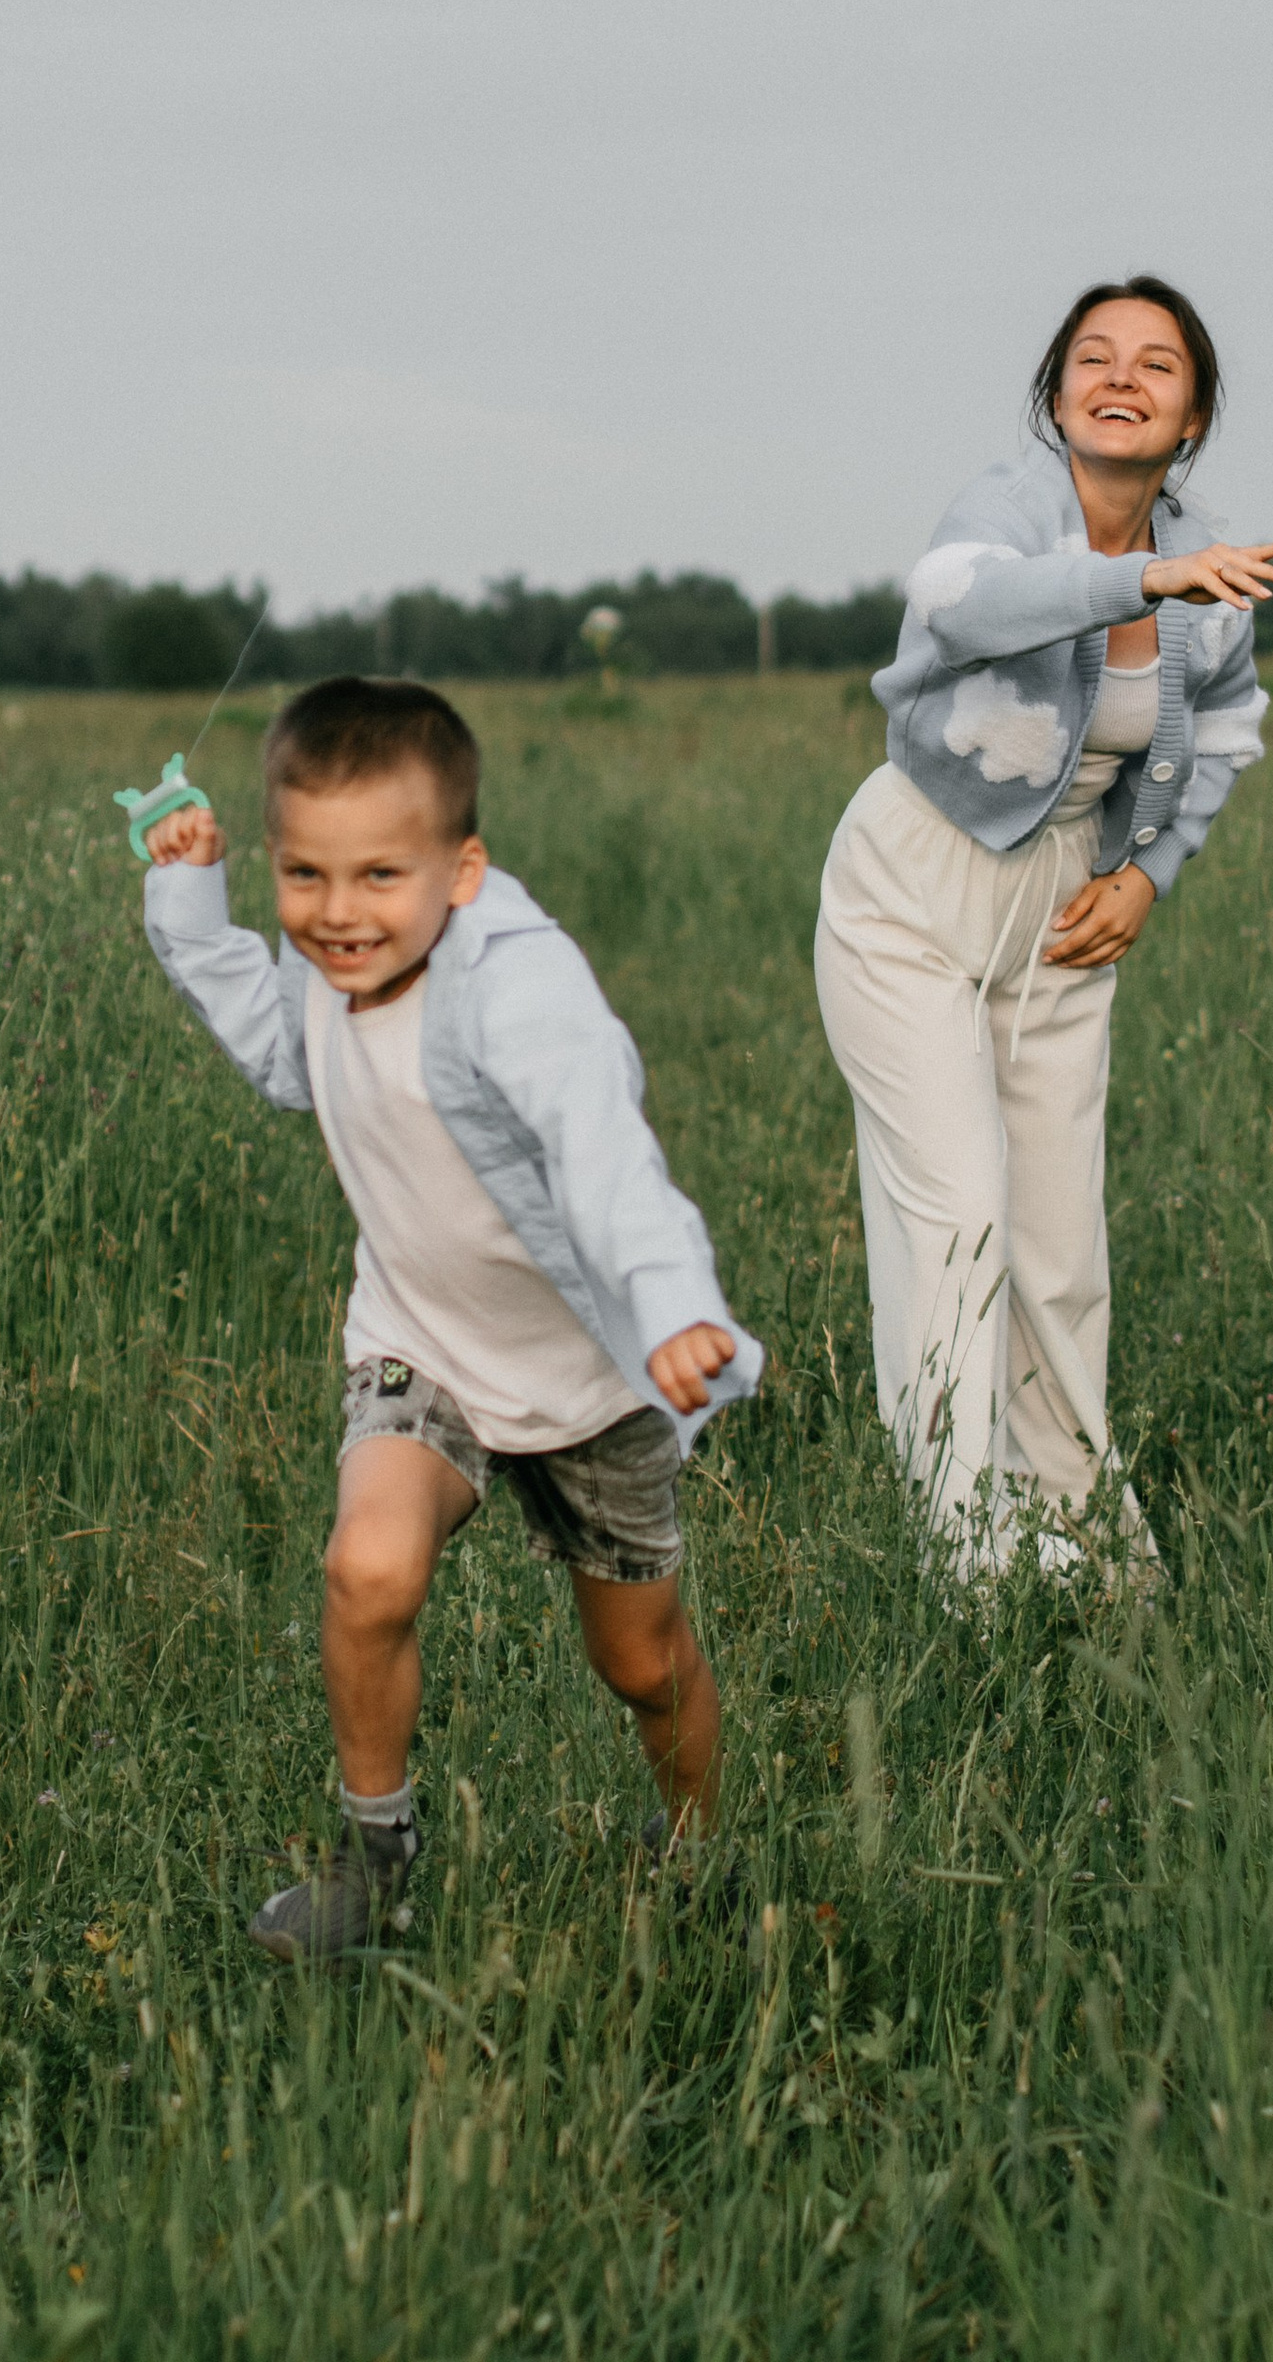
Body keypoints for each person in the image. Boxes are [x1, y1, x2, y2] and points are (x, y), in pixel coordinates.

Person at [139, 674, 759, 1961]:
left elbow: (604, 1154)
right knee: (368, 1570)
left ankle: (706, 1856)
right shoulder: (332, 965)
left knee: (641, 1665)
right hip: (419, 1344)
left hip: (589, 1380)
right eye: (303, 876)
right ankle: (377, 1875)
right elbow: (278, 1050)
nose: (338, 913)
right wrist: (191, 894)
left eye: (379, 875)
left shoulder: (517, 993)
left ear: (460, 871)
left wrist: (671, 1307)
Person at [814, 278, 1273, 1578]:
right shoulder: (1006, 511)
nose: (1121, 376)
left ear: (1193, 419)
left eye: (1156, 364)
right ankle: (969, 1558)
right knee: (958, 1221)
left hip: (1069, 905)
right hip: (914, 887)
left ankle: (1078, 1530)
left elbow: (1228, 729)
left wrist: (1150, 872)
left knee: (1060, 1249)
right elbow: (963, 605)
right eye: (1094, 356)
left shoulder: (1215, 583)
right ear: (1057, 394)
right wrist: (1140, 576)